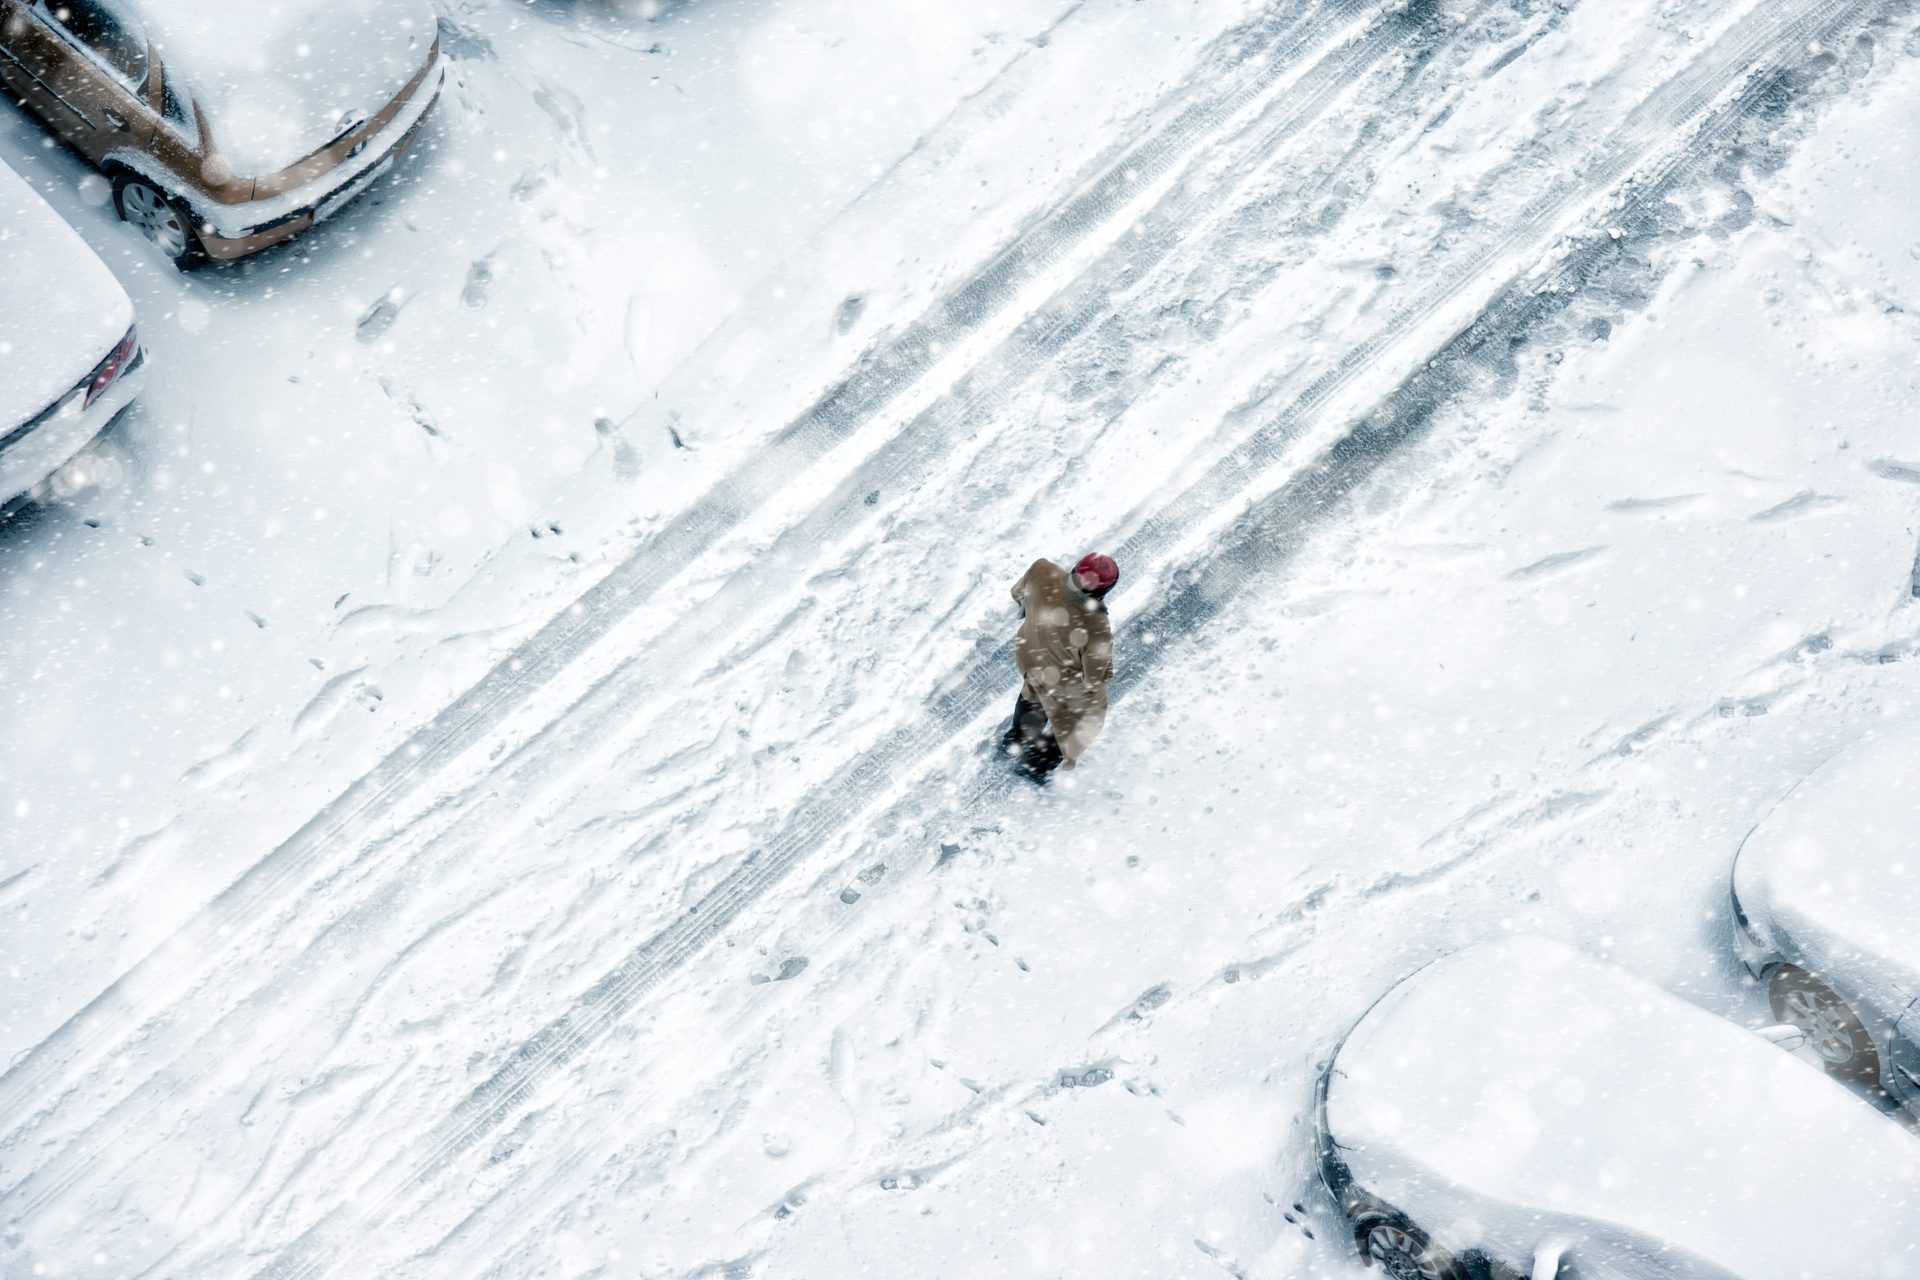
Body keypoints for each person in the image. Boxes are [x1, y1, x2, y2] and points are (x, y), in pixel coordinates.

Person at [1004, 552, 1118, 780]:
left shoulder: (1043, 570)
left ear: (1076, 568)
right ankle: (1034, 766)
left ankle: (1016, 740)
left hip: (1030, 656)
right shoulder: (1096, 626)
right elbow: (1096, 678)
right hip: (1061, 682)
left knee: (1034, 692)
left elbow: (1017, 593)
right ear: (1102, 592)